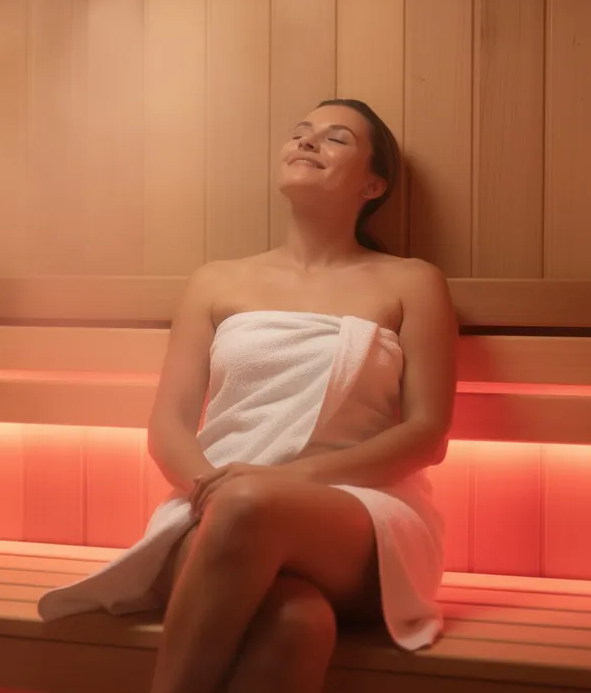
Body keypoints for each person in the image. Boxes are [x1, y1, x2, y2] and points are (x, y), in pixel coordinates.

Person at [36, 99, 457, 693]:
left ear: (373, 184)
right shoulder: (216, 280)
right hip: (213, 505)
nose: (308, 143)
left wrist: (280, 485)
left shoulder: (411, 280)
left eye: (335, 138)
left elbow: (427, 433)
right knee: (296, 623)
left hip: (359, 515)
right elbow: (170, 426)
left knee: (252, 506)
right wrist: (216, 494)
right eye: (300, 133)